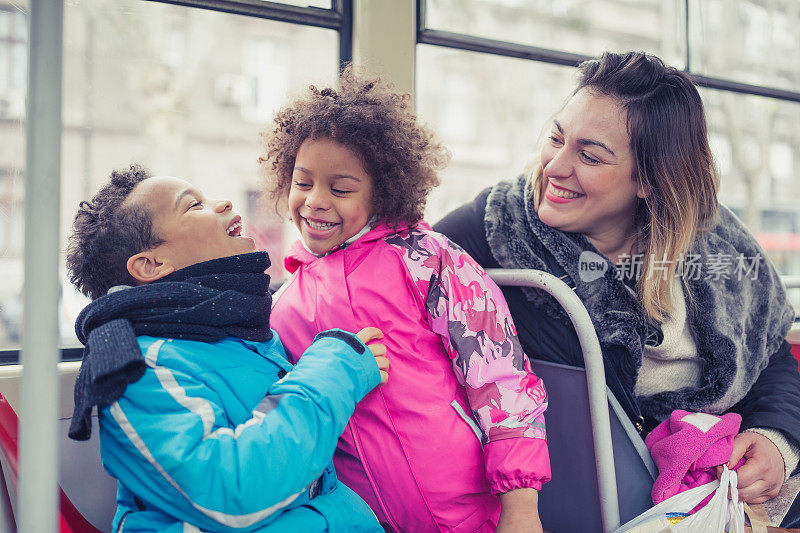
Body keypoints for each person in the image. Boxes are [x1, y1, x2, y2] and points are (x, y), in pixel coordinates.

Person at [434, 51, 800, 525]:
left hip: (724, 476)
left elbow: (770, 356)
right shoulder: (498, 228)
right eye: (555, 138)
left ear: (650, 179)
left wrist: (776, 438)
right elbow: (394, 270)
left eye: (589, 155)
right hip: (608, 501)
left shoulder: (719, 246)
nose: (554, 167)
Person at [262, 67, 550, 532]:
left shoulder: (427, 261)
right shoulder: (285, 305)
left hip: (469, 515)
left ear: (383, 192)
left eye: (340, 189)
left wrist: (521, 510)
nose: (314, 200)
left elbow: (503, 383)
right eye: (302, 182)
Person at [65, 164, 388, 532]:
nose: (222, 204)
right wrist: (333, 373)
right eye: (193, 206)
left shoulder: (241, 337)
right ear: (151, 265)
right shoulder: (136, 368)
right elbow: (231, 493)